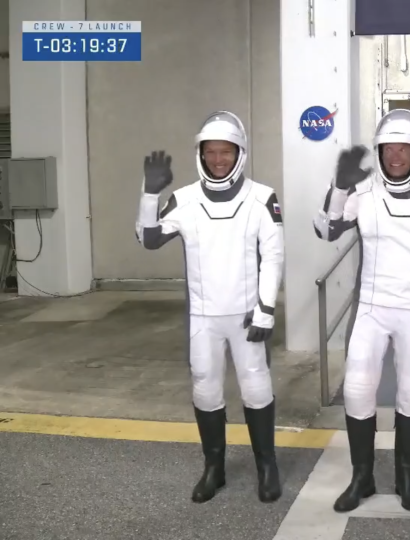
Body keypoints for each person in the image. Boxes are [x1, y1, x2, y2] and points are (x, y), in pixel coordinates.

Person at [313, 109, 410, 513]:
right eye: (388, 148)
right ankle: (362, 477)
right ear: (380, 151)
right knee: (356, 390)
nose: (396, 156)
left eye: (404, 148)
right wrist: (338, 187)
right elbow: (326, 229)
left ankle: (405, 476)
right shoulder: (363, 192)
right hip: (370, 307)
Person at [134, 111, 285, 504]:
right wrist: (150, 195)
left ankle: (267, 466)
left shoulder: (262, 197)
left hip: (248, 315)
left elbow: (273, 256)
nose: (218, 160)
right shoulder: (183, 199)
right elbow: (149, 240)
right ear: (200, 154)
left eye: (226, 152)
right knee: (205, 388)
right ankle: (214, 468)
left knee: (256, 386)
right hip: (203, 317)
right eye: (210, 152)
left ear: (241, 153)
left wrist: (266, 308)